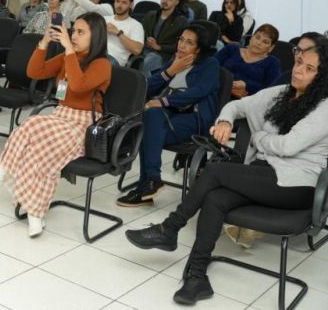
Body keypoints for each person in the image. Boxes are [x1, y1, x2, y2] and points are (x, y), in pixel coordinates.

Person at [124, 32, 328, 306]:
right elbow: (237, 104)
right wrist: (225, 121)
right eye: (299, 63)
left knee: (217, 171)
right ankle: (196, 276)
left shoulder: (325, 107)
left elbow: (289, 146)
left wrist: (258, 139)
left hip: (298, 185)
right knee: (215, 198)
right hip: (265, 175)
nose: (299, 71)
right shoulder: (282, 93)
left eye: (309, 68)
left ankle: (170, 228)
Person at [0, 12, 112, 237]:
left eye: (81, 32)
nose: (74, 35)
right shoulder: (68, 57)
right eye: (74, 30)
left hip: (82, 124)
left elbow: (78, 84)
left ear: (97, 37)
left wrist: (69, 52)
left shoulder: (102, 64)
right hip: (60, 117)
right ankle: (35, 213)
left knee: (32, 124)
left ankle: (0, 173)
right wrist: (44, 43)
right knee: (39, 154)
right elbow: (33, 72)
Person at [117, 24, 220, 207]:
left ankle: (147, 185)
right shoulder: (176, 59)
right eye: (181, 39)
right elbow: (146, 86)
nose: (182, 45)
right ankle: (150, 182)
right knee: (150, 120)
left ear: (200, 47)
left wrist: (164, 101)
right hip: (166, 116)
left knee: (147, 129)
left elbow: (199, 92)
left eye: (189, 42)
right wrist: (170, 71)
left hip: (194, 119)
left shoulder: (210, 65)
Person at [74, 0, 144, 66]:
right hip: (94, 53)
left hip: (112, 59)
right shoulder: (104, 19)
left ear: (131, 5)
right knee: (70, 57)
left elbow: (137, 50)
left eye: (124, 2)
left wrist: (118, 33)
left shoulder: (136, 25)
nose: (119, 5)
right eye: (117, 1)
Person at [216, 23, 280, 99]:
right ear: (251, 37)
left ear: (271, 48)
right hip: (217, 91)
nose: (258, 43)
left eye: (265, 42)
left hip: (247, 102)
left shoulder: (272, 63)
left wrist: (246, 85)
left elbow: (270, 90)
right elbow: (211, 68)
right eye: (257, 37)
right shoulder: (231, 48)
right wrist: (227, 85)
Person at [140, 0, 189, 76]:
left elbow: (181, 45)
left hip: (164, 55)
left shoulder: (181, 21)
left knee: (149, 61)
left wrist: (159, 47)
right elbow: (140, 32)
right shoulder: (151, 15)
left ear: (177, 2)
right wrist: (146, 40)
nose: (165, 1)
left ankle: (146, 88)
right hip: (145, 50)